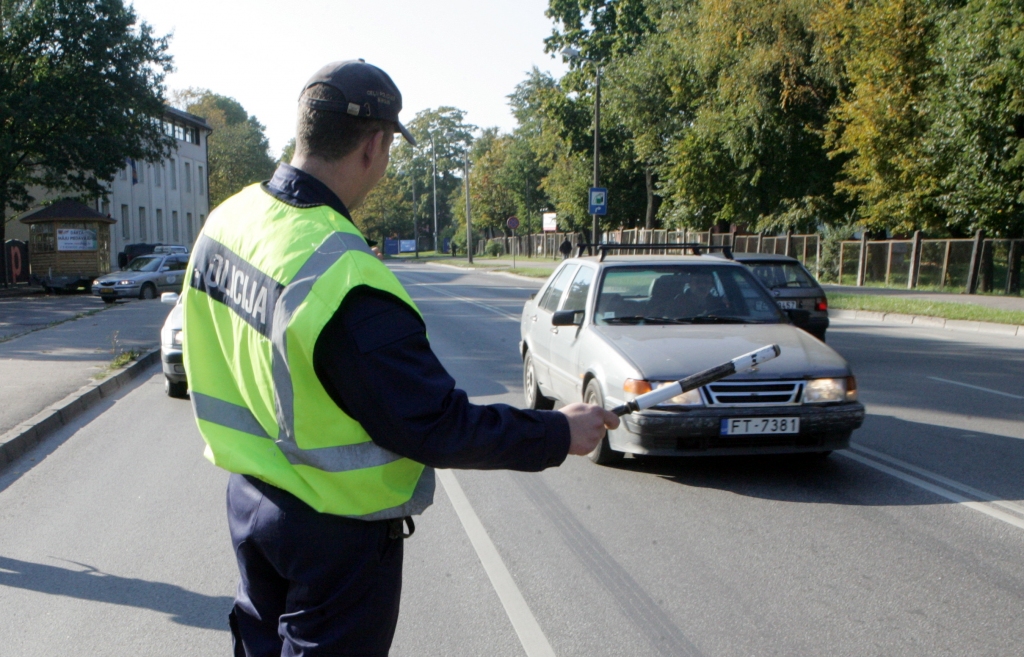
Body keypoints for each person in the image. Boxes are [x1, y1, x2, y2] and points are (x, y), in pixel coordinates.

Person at [180, 60, 618, 657]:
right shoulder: (344, 275)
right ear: (375, 146)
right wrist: (557, 432)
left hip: (251, 503)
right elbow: (434, 424)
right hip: (332, 533)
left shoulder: (229, 221)